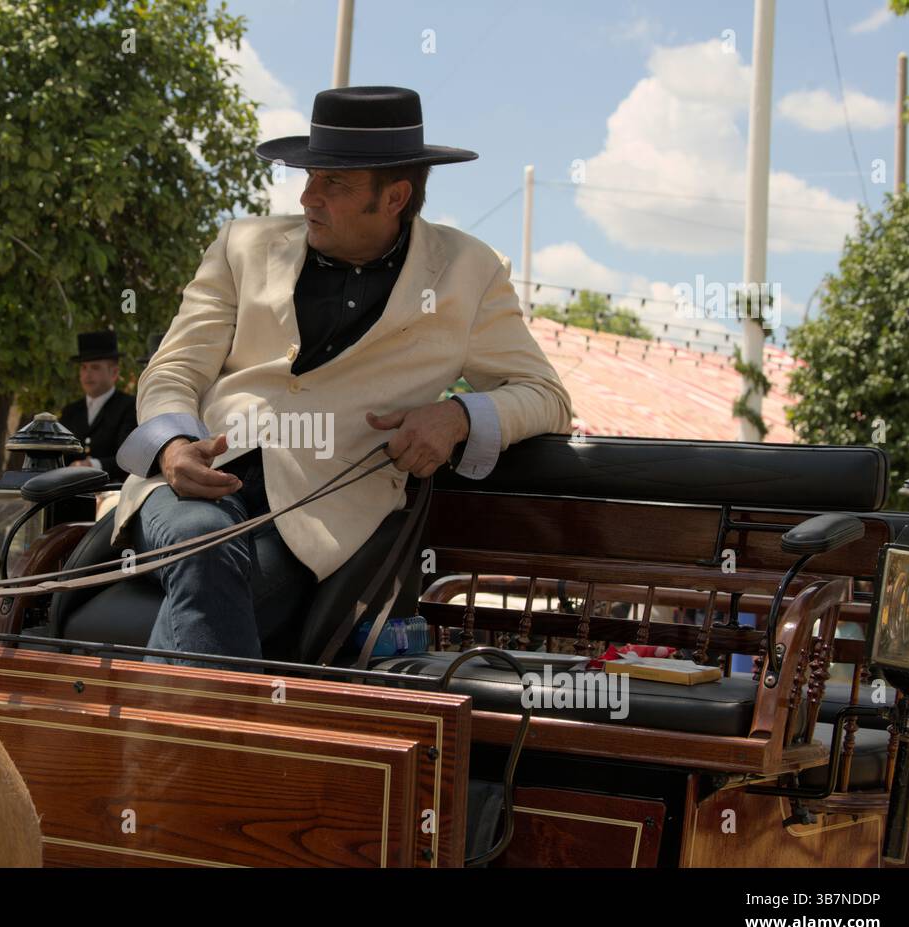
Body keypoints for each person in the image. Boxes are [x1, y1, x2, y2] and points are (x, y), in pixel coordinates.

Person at [113, 86, 572, 668]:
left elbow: (546, 396)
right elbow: (174, 367)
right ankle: (197, 755)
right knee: (205, 542)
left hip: (320, 519)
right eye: (309, 177)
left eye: (333, 183)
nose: (308, 197)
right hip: (186, 489)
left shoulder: (471, 273)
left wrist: (457, 416)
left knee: (210, 558)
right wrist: (174, 445)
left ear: (395, 196)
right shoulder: (241, 245)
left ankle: (143, 752)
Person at [59, 330, 138, 482]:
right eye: (83, 367)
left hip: (112, 491)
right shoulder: (71, 412)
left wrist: (92, 465)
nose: (87, 375)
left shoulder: (129, 407)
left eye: (95, 368)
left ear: (114, 373)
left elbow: (129, 458)